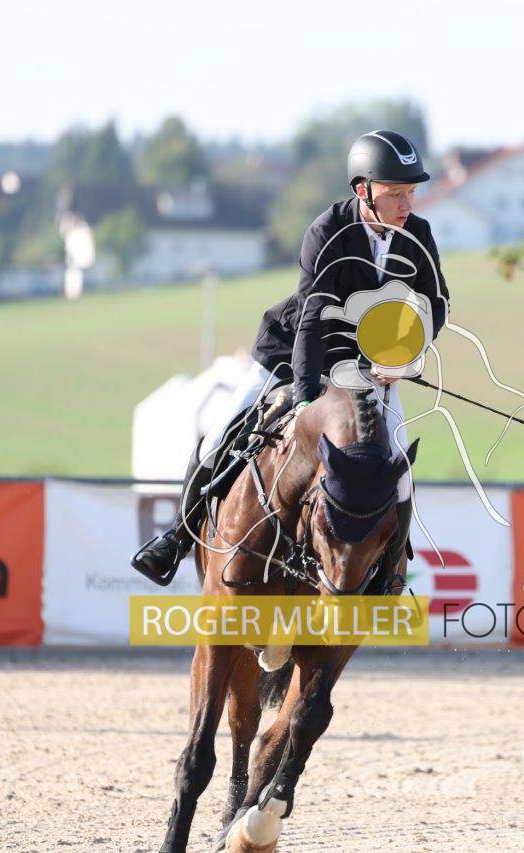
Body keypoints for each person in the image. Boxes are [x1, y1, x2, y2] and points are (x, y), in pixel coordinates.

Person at [132, 129, 449, 583]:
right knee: (221, 433)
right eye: (395, 193)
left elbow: (435, 304)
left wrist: (402, 356)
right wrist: (303, 401)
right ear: (363, 190)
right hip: (289, 353)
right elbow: (312, 321)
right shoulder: (327, 231)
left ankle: (389, 572)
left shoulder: (418, 234)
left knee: (397, 467)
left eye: (411, 192)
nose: (407, 204)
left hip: (363, 368)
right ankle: (177, 538)